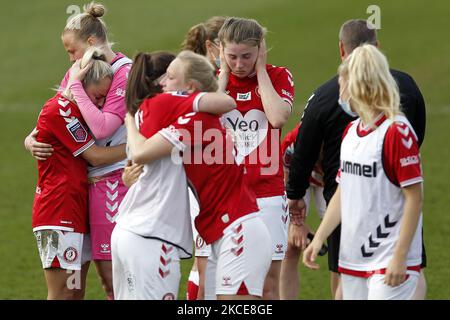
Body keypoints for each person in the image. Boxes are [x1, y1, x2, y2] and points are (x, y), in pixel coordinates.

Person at [286, 19, 427, 299]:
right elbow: (343, 191)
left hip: (388, 260)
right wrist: (322, 236)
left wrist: (400, 257)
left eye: (343, 80)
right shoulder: (352, 132)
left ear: (360, 86)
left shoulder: (397, 132)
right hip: (354, 259)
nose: (338, 87)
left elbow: (415, 196)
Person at [121, 50, 271, 300]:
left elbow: (142, 152)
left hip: (238, 228)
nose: (162, 83)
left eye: (169, 77)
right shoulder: (199, 118)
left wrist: (128, 118)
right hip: (222, 230)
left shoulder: (196, 121)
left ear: (188, 87)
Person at [24, 2, 132, 299]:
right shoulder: (77, 77)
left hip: (107, 184)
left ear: (91, 43)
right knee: (86, 287)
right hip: (73, 196)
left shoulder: (122, 72)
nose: (70, 59)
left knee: (102, 282)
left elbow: (102, 127)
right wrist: (31, 141)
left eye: (72, 51)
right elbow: (46, 121)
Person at [217, 17, 294, 300]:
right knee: (219, 279)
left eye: (247, 56)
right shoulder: (214, 81)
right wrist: (222, 77)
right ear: (220, 51)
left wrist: (260, 70)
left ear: (261, 50)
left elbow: (276, 117)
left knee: (269, 283)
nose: (239, 64)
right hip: (223, 195)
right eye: (232, 56)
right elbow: (199, 123)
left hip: (267, 193)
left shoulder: (278, 76)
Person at [181, 15, 226, 300]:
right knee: (206, 264)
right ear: (211, 47)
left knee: (208, 264)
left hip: (215, 184)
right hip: (202, 188)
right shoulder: (202, 85)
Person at [279, 124, 326, 299]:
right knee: (289, 246)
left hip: (332, 178)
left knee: (341, 243)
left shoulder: (343, 142)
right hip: (298, 175)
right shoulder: (294, 143)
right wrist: (296, 222)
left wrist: (321, 236)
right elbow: (287, 179)